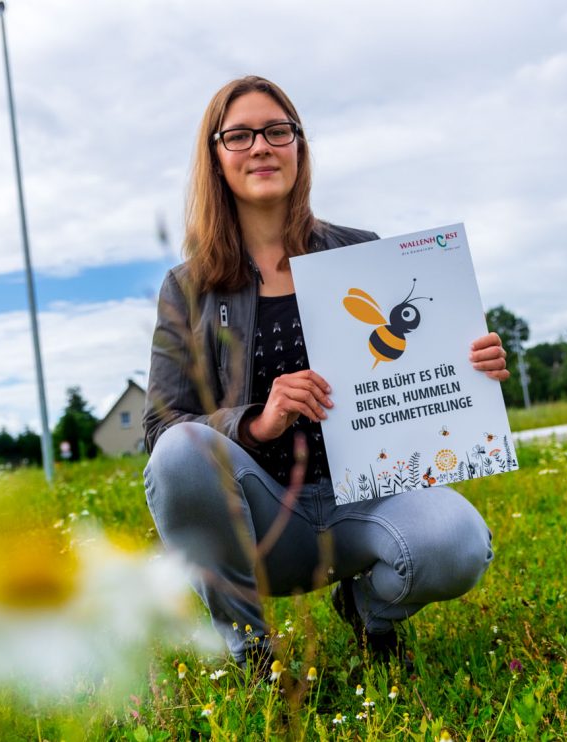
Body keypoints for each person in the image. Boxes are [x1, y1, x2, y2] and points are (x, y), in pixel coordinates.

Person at [142, 75, 510, 671]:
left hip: (362, 501)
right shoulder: (188, 288)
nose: (261, 146)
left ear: (298, 146)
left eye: (276, 130)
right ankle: (254, 650)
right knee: (180, 451)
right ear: (215, 156)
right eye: (239, 135)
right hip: (261, 516)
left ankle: (369, 614)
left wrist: (472, 370)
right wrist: (257, 423)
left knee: (457, 543)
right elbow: (162, 425)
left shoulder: (361, 253)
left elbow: (417, 368)